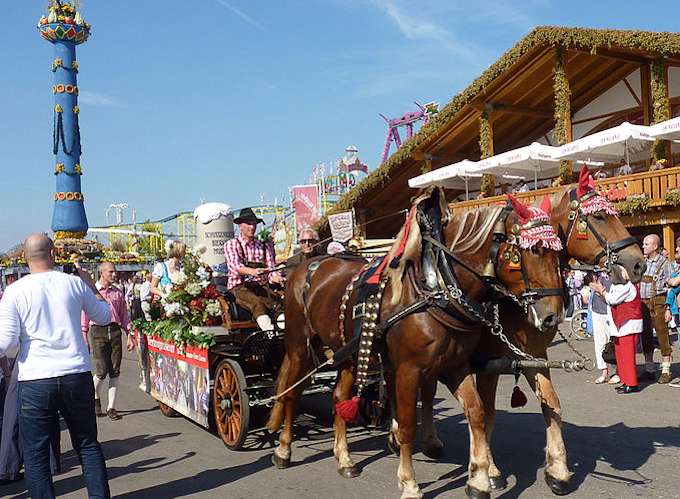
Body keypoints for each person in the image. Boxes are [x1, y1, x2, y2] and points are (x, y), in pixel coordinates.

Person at [0, 234, 112, 498]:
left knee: (36, 453)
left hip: (35, 377)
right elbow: (104, 316)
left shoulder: (16, 290)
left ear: (24, 258)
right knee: (87, 444)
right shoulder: (73, 284)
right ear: (52, 253)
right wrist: (91, 285)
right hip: (75, 373)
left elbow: (5, 341)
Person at [81, 262, 136, 421]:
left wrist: (130, 335)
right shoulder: (92, 292)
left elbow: (124, 316)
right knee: (101, 370)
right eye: (111, 272)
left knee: (115, 370)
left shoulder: (118, 293)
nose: (114, 274)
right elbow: (85, 314)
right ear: (102, 273)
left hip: (115, 331)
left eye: (115, 272)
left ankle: (111, 407)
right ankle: (95, 396)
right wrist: (84, 334)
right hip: (98, 331)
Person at [224, 208, 283, 332]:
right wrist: (252, 271)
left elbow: (271, 269)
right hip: (239, 288)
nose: (252, 227)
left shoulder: (264, 246)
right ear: (240, 226)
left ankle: (283, 332)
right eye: (248, 223)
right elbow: (235, 266)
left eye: (254, 223)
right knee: (257, 303)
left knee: (278, 303)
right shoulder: (232, 244)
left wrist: (277, 277)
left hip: (260, 286)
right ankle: (268, 333)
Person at [590, 267, 643, 394]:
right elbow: (609, 300)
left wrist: (602, 291)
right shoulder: (618, 285)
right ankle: (625, 380)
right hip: (620, 325)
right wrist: (601, 293)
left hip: (628, 324)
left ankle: (631, 383)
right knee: (621, 355)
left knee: (627, 355)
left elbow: (612, 299)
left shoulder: (628, 286)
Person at [639, 234, 675, 383]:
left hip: (659, 302)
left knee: (662, 336)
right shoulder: (641, 262)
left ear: (655, 246)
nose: (643, 246)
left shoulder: (665, 263)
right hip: (644, 303)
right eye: (643, 244)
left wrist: (669, 308)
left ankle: (666, 370)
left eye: (646, 244)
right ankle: (649, 369)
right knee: (645, 336)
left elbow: (672, 287)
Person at [587, 273, 619, 384]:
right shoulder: (596, 272)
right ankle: (604, 372)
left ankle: (619, 371)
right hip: (597, 311)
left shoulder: (613, 271)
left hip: (610, 310)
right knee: (599, 342)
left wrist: (600, 291)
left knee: (614, 342)